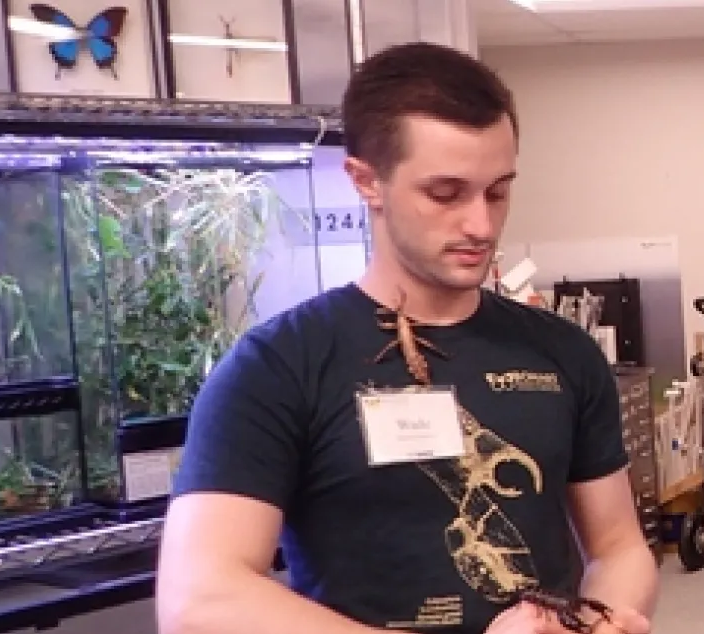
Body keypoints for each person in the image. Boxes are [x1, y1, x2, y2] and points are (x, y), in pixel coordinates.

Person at [155, 42, 658, 634]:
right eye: (445, 194)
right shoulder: (278, 367)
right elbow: (202, 600)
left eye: (497, 191)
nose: (482, 225)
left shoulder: (562, 353)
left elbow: (619, 548)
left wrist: (600, 618)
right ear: (366, 181)